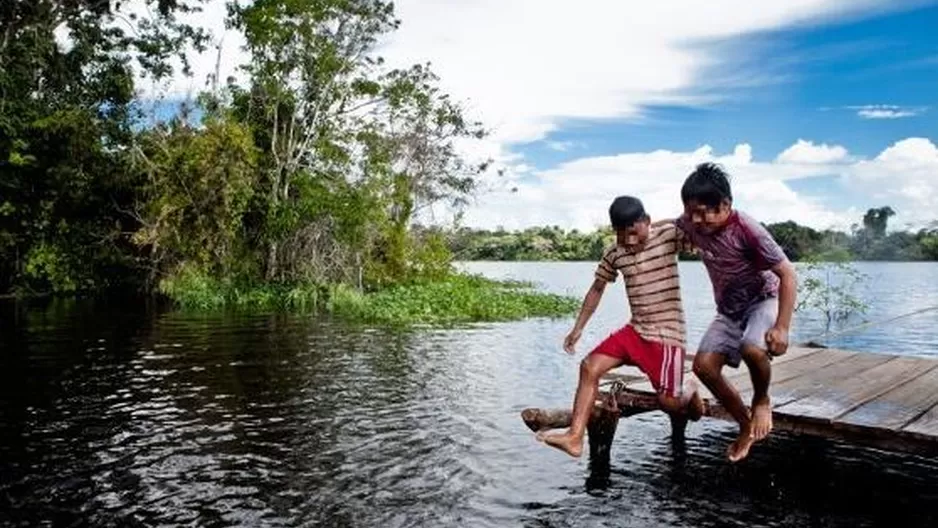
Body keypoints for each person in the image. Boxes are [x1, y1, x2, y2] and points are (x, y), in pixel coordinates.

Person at [539, 195, 704, 458]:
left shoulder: (668, 236)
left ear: (646, 222)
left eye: (633, 232)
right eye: (620, 234)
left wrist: (665, 224)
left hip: (667, 334)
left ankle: (691, 387)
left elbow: (701, 232)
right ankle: (574, 438)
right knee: (589, 367)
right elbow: (597, 288)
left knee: (669, 403)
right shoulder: (615, 252)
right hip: (636, 331)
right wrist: (578, 328)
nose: (627, 241)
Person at [673, 162, 797, 462]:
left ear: (726, 205)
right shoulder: (690, 222)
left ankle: (762, 399)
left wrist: (782, 327)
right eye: (692, 212)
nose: (697, 220)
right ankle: (744, 425)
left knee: (753, 349)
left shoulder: (748, 230)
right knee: (703, 367)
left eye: (705, 212)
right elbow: (669, 225)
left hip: (763, 298)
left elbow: (788, 275)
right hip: (729, 309)